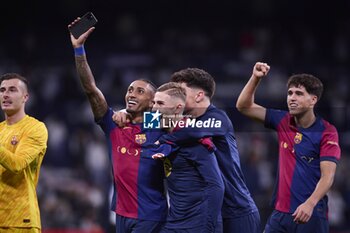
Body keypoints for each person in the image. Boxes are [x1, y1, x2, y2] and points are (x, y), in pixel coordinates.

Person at [68, 18, 167, 233]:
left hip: (151, 216)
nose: (132, 93)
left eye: (140, 91)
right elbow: (91, 89)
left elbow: (177, 115)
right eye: (130, 89)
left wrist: (132, 115)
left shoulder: (159, 125)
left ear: (152, 102)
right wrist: (79, 50)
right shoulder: (114, 125)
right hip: (121, 215)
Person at [236, 62, 341, 233]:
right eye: (290, 93)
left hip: (310, 214)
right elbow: (243, 106)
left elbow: (328, 176)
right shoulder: (282, 120)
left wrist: (310, 204)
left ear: (313, 100)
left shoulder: (327, 132)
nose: (292, 98)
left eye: (299, 94)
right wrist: (255, 78)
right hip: (279, 215)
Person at [155, 68, 260, 233]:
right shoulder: (184, 120)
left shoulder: (218, 118)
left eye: (182, 92)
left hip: (236, 210)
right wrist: (126, 114)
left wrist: (163, 140)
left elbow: (191, 131)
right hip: (205, 213)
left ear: (199, 96)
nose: (177, 96)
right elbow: (148, 121)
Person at [150, 82, 224, 233]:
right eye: (154, 103)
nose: (153, 109)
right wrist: (123, 113)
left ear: (177, 108)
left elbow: (217, 186)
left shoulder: (196, 141)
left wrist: (207, 226)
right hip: (175, 221)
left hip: (198, 224)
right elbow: (137, 120)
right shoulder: (165, 131)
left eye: (160, 103)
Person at [0, 73, 48, 232]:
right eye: (2, 90)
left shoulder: (36, 128)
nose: (5, 94)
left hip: (21, 221)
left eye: (12, 90)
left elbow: (17, 164)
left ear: (25, 97)